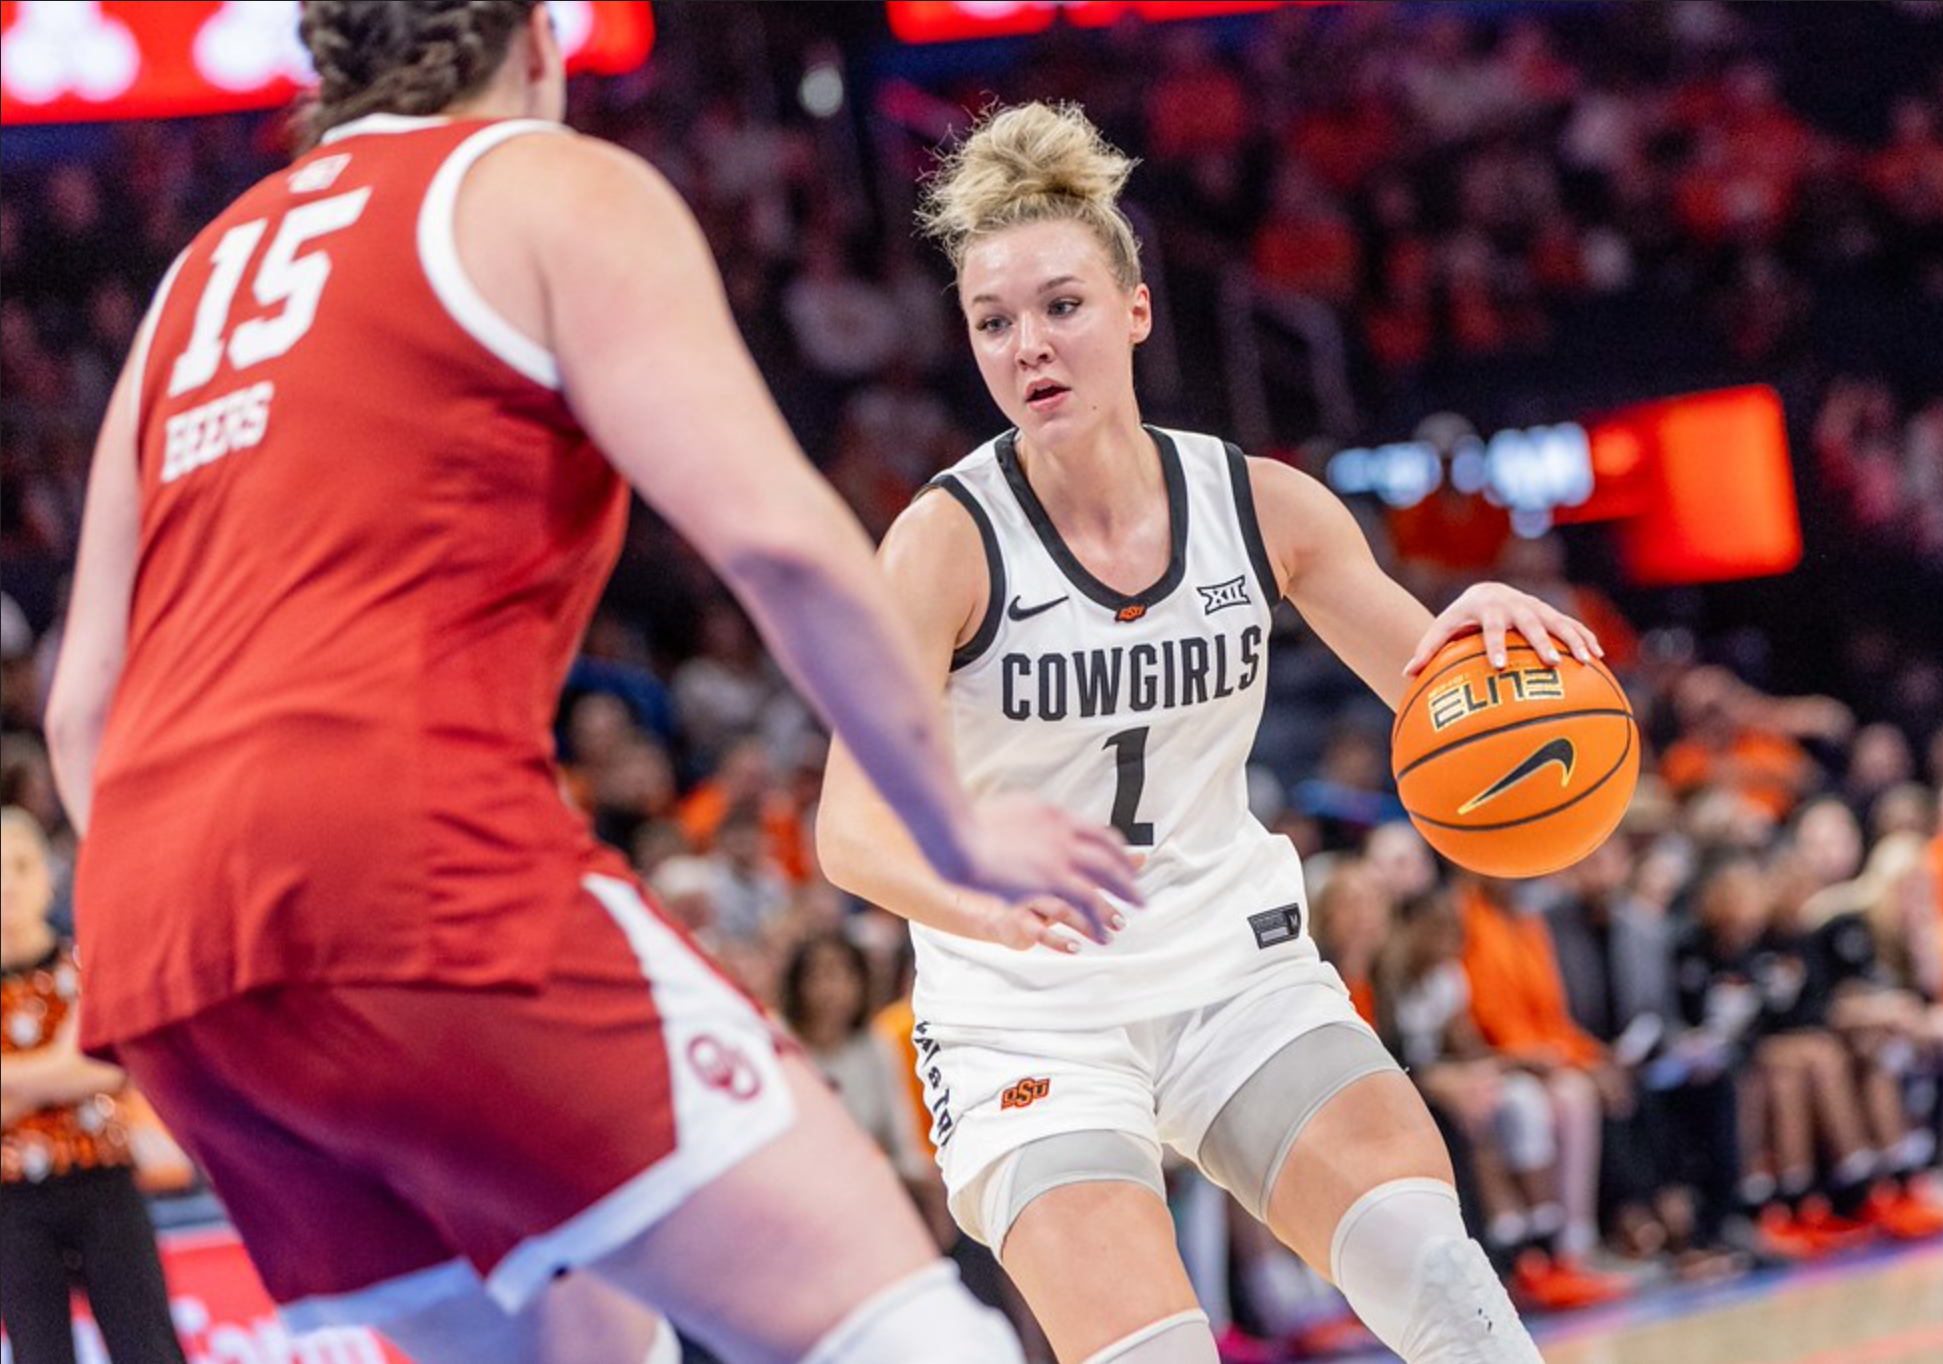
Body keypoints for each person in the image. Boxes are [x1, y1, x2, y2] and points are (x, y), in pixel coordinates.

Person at [43, 8, 1143, 1364]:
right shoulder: (546, 185)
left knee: (595, 1346)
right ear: (536, 43)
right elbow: (775, 539)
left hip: (163, 951)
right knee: (899, 1327)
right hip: (399, 864)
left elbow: (79, 705)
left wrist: (216, 908)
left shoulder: (191, 283)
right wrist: (951, 823)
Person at [815, 101, 1604, 1364]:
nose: (1029, 346)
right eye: (993, 321)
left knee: (1447, 1292)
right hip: (1029, 1013)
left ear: (1135, 308)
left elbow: (1439, 690)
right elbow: (850, 830)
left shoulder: (1262, 504)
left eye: (1061, 305)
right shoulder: (943, 542)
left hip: (1233, 973)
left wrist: (1493, 634)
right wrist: (975, 887)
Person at [1, 808, 186, 1364]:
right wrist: (60, 1069)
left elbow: (105, 1064)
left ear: (48, 875)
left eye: (21, 866)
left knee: (148, 1348)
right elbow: (81, 1064)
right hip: (9, 1204)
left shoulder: (90, 961)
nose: (6, 884)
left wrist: (19, 1080)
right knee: (40, 1354)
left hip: (104, 1184)